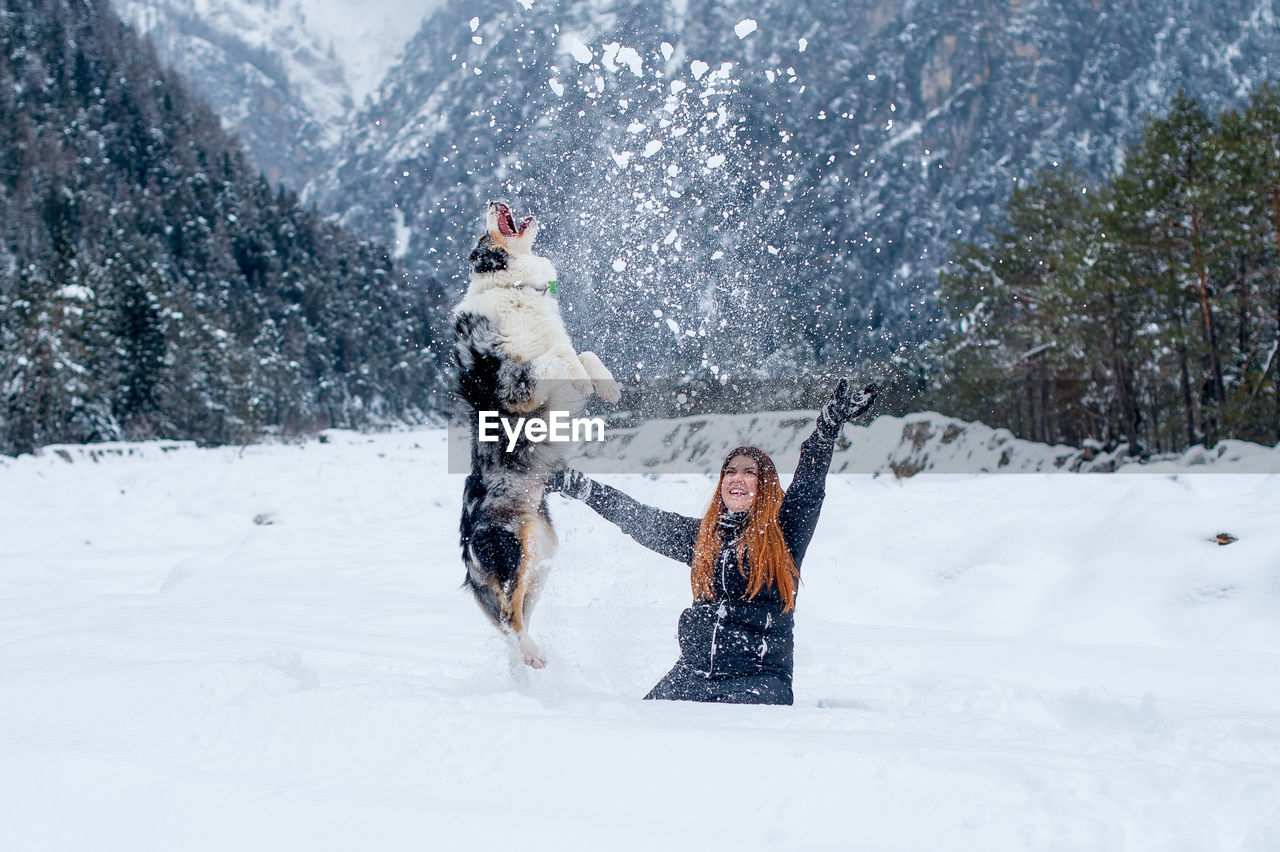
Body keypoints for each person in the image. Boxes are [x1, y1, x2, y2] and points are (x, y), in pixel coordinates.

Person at [547, 379, 877, 705]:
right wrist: (580, 486)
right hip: (692, 675)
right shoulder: (705, 538)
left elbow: (807, 488)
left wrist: (825, 434)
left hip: (757, 681)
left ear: (765, 485)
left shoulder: (784, 533)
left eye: (750, 472)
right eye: (730, 470)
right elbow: (639, 519)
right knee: (634, 729)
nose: (737, 477)